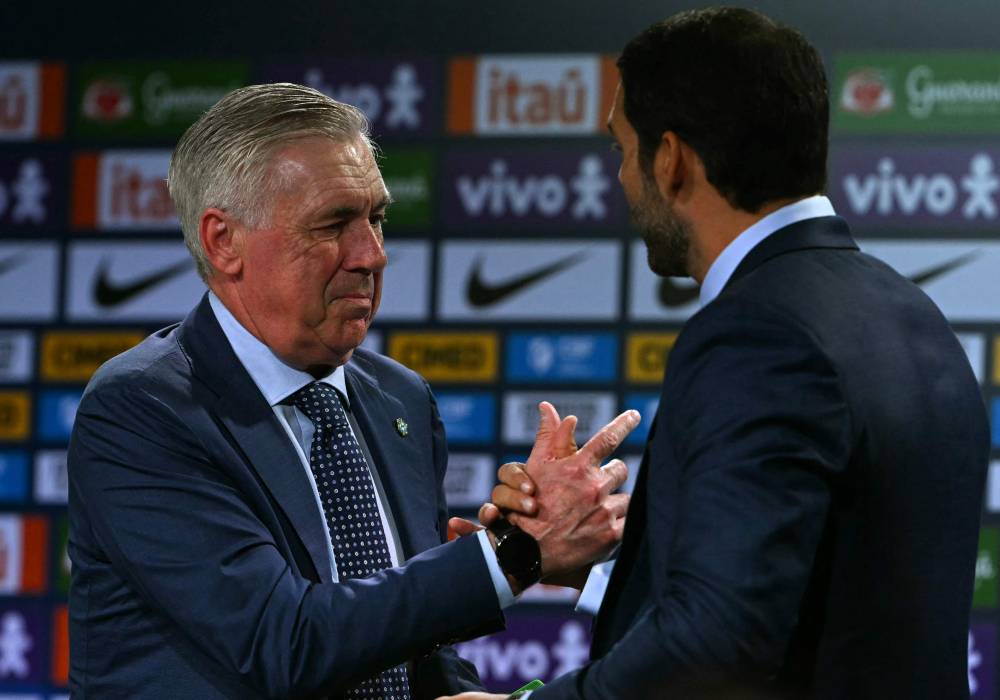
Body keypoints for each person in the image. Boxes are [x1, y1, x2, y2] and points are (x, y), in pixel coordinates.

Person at [444, 7, 989, 700]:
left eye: (620, 151)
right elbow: (815, 600)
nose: (619, 180)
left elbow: (717, 644)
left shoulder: (760, 333)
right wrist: (605, 569)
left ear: (670, 160)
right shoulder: (911, 313)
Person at [67, 83, 638, 699]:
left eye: (376, 218)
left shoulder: (399, 399)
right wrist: (513, 556)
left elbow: (408, 643)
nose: (372, 255)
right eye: (334, 224)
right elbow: (280, 642)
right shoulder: (146, 408)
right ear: (223, 241)